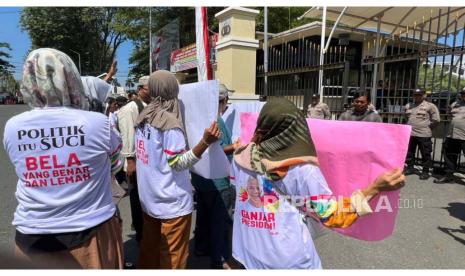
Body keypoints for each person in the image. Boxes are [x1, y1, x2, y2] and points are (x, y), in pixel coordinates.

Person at [230, 97, 405, 269]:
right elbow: (332, 216)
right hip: (287, 261)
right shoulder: (302, 170)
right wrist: (374, 188)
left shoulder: (240, 157)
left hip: (249, 252)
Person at [3, 48, 124, 268]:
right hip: (91, 233)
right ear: (71, 77)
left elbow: (22, 167)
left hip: (31, 238)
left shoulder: (13, 127)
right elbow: (116, 165)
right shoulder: (99, 123)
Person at [135, 70, 221, 269]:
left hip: (149, 201)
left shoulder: (144, 115)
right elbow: (178, 163)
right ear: (172, 89)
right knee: (173, 260)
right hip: (172, 204)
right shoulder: (170, 123)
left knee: (150, 253)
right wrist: (204, 142)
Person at [191, 83, 239, 269]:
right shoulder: (216, 121)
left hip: (200, 178)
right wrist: (235, 146)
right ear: (224, 100)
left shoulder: (198, 117)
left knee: (203, 216)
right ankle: (222, 258)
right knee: (222, 220)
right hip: (218, 182)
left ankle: (201, 247)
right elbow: (218, 150)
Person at [116, 75, 151, 243]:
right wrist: (130, 161)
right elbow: (128, 136)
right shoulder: (130, 109)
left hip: (147, 161)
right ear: (140, 90)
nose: (152, 92)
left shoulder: (149, 105)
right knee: (137, 198)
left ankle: (144, 228)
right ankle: (140, 233)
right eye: (149, 89)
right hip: (135, 162)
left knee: (146, 198)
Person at [404, 88, 440, 180]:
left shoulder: (430, 106)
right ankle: (410, 167)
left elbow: (436, 120)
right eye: (415, 95)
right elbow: (406, 117)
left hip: (424, 134)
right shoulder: (409, 105)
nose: (417, 96)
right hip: (411, 133)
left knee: (425, 153)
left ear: (424, 95)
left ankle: (425, 171)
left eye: (419, 95)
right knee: (410, 152)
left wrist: (427, 127)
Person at [435, 88, 465, 183]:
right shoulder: (454, 104)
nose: (464, 96)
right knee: (449, 155)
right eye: (463, 94)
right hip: (452, 135)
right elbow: (450, 115)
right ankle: (449, 175)